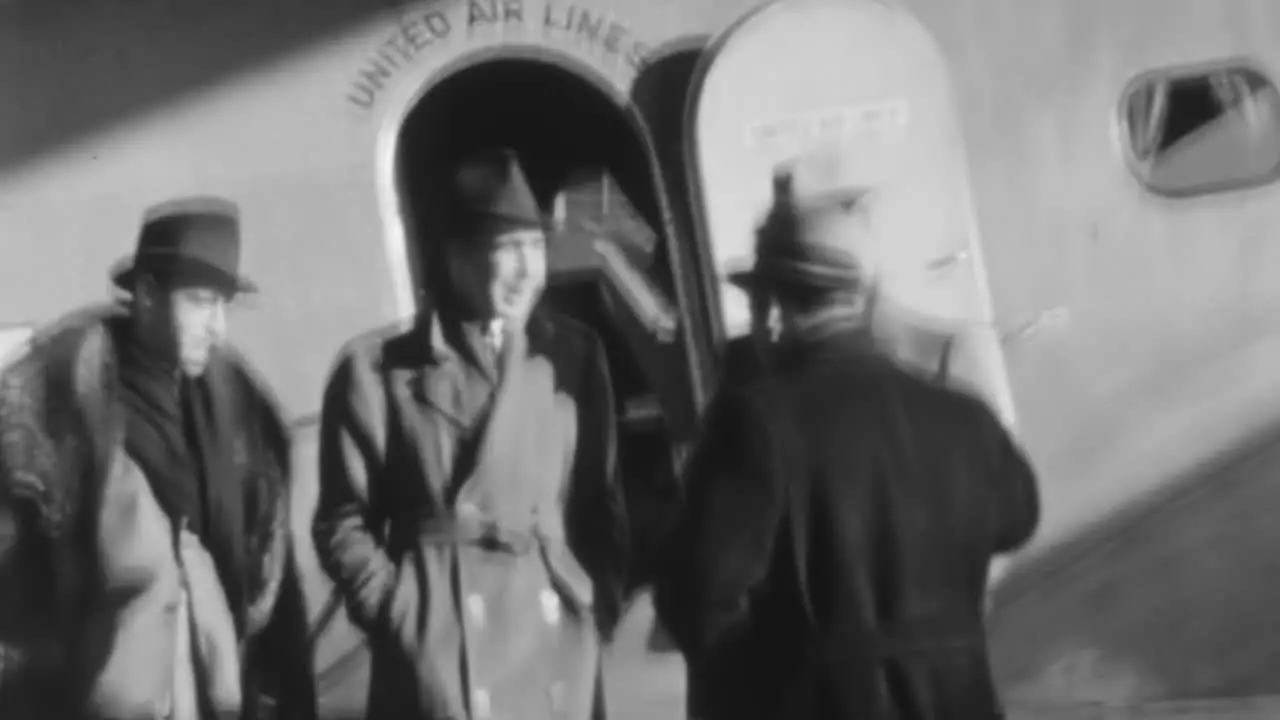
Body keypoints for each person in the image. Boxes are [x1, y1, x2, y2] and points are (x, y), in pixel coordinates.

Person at [652, 155, 1041, 720]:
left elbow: (697, 592)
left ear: (774, 310)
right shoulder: (963, 417)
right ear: (862, 298)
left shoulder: (757, 424)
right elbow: (1017, 517)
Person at [313, 147, 628, 720]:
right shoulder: (376, 369)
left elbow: (597, 500)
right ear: (455, 258)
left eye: (535, 247)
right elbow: (342, 520)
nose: (528, 270)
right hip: (442, 643)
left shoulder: (572, 355)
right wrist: (399, 613)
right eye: (507, 250)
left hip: (555, 638)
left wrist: (599, 593)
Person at [0, 197, 313, 720]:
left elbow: (271, 582)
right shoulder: (64, 412)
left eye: (222, 305)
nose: (218, 329)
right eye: (198, 302)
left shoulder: (236, 410)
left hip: (223, 690)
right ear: (146, 295)